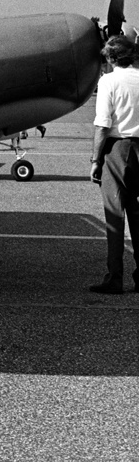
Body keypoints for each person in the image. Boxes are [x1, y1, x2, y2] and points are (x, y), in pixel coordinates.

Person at [89, 35, 139, 293]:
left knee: (115, 214)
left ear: (110, 58)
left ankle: (115, 278)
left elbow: (103, 125)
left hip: (118, 148)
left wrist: (96, 160)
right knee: (137, 214)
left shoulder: (108, 81)